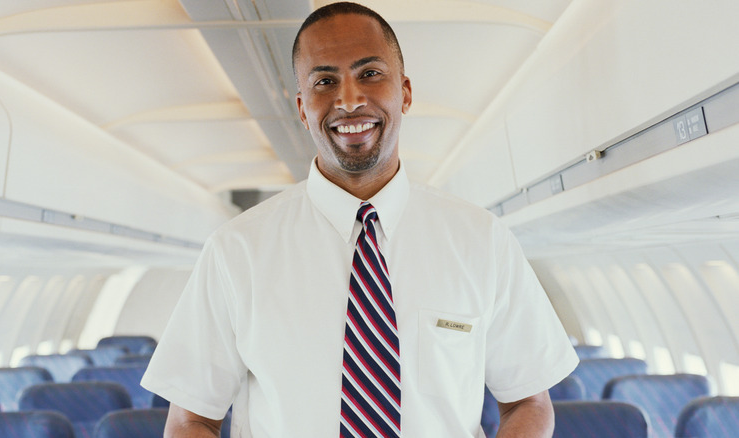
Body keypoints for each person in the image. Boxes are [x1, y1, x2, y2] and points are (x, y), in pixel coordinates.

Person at [141, 2, 578, 437]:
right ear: (301, 107)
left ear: (404, 92)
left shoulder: (482, 241)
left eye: (369, 74)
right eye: (325, 81)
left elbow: (527, 401)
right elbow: (191, 418)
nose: (348, 100)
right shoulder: (235, 251)